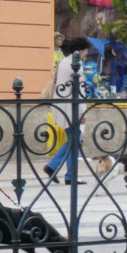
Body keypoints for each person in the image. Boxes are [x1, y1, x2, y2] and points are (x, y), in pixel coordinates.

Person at [44, 36, 90, 185]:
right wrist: (82, 111)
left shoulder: (64, 61)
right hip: (72, 107)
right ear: (81, 50)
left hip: (62, 105)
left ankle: (57, 168)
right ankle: (67, 173)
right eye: (86, 50)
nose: (86, 54)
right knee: (75, 140)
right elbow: (79, 89)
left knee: (73, 140)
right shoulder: (76, 65)